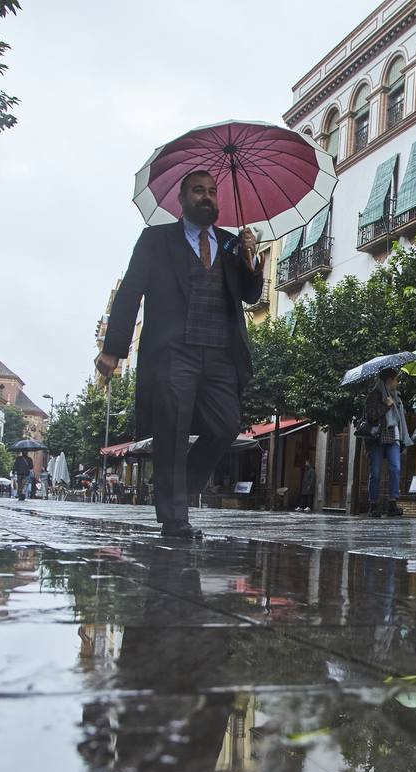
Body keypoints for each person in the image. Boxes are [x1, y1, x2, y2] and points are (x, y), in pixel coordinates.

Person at [96, 169, 263, 540]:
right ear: (182, 200)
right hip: (174, 351)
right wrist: (113, 350)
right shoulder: (156, 240)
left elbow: (250, 295)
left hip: (220, 352)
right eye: (198, 191)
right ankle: (175, 520)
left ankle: (177, 490)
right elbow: (131, 292)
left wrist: (252, 260)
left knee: (225, 426)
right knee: (170, 430)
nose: (207, 197)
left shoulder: (232, 243)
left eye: (212, 192)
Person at [362, 368, 412, 518]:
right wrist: (386, 406)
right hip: (377, 438)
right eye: (396, 379)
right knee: (375, 473)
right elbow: (370, 416)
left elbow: (400, 419)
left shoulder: (397, 397)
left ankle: (392, 502)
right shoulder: (374, 395)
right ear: (389, 380)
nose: (398, 382)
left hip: (394, 436)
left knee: (395, 468)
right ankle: (374, 504)